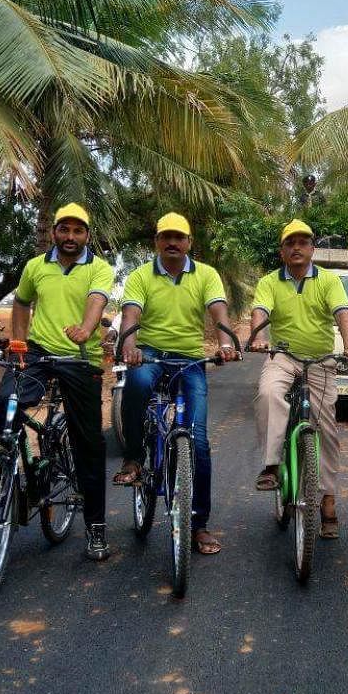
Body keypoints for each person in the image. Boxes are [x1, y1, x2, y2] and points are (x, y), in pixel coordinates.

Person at [0, 203, 115, 561]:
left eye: (78, 231)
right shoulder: (35, 266)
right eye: (65, 230)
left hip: (80, 358)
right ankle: (4, 473)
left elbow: (96, 300)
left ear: (87, 235)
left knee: (88, 445)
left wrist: (86, 330)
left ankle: (95, 528)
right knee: (5, 403)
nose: (71, 237)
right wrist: (18, 343)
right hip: (39, 352)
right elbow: (21, 302)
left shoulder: (99, 268)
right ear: (54, 232)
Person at [113, 212, 241, 556]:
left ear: (189, 242)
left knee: (198, 442)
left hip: (189, 358)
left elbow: (217, 311)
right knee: (137, 383)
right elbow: (131, 314)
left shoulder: (207, 275)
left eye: (179, 237)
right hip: (151, 353)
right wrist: (130, 345)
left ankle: (198, 525)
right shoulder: (140, 275)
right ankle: (134, 458)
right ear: (156, 241)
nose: (172, 242)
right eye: (166, 237)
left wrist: (226, 342)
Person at [248, 219, 348, 539]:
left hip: (321, 360)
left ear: (312, 249)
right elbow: (261, 311)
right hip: (283, 356)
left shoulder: (329, 280)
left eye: (303, 242)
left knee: (328, 429)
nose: (297, 247)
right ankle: (271, 466)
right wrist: (258, 336)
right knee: (268, 393)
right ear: (282, 251)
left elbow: (341, 313)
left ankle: (328, 499)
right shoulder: (269, 281)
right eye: (290, 243)